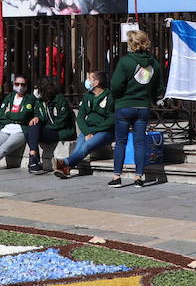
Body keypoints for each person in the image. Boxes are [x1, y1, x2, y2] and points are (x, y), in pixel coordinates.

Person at [108, 29, 165, 188]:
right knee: (140, 143)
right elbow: (159, 88)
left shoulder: (126, 61)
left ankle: (117, 176)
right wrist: (150, 98)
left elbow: (115, 85)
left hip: (125, 105)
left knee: (121, 142)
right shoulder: (154, 63)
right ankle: (138, 177)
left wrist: (118, 96)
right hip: (143, 106)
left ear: (131, 45)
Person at [54, 71, 115, 178]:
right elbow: (80, 117)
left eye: (89, 79)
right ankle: (66, 168)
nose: (87, 81)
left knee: (86, 146)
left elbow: (111, 120)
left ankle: (64, 162)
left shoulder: (109, 96)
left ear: (96, 82)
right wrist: (87, 132)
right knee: (78, 149)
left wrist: (93, 131)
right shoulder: (88, 96)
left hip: (105, 131)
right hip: (89, 129)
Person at [24, 76, 74, 174]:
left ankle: (33, 160)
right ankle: (33, 157)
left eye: (38, 88)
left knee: (32, 134)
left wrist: (47, 126)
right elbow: (41, 115)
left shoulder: (60, 100)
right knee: (31, 129)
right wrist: (37, 118)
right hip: (49, 128)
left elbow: (62, 121)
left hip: (60, 131)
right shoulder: (40, 101)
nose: (36, 91)